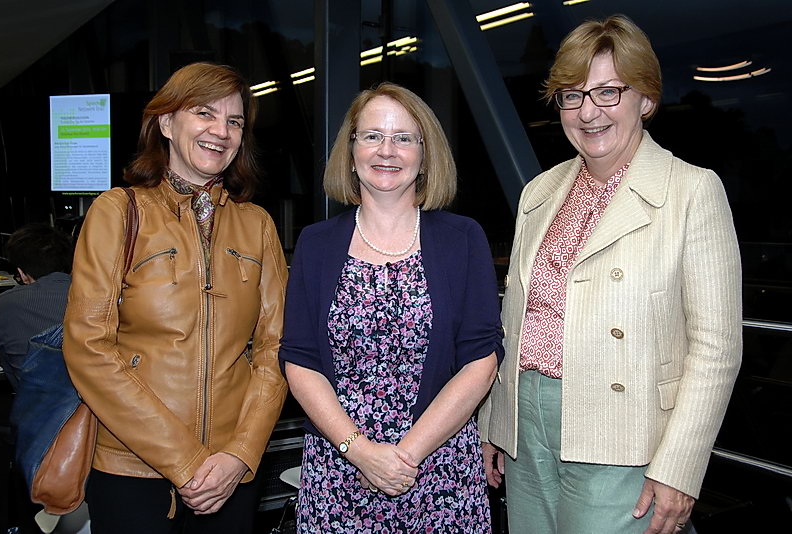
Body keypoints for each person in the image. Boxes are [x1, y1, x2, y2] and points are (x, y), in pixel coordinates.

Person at [478, 15, 742, 534]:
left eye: (608, 92)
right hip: (527, 427)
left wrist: (679, 467)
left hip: (625, 435)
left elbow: (717, 349)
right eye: (572, 95)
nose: (588, 112)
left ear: (646, 98)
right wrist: (496, 422)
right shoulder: (539, 192)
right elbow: (517, 321)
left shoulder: (692, 192)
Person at [63, 62, 288, 533]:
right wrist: (186, 461)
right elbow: (88, 347)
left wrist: (241, 453)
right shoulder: (116, 212)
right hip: (131, 469)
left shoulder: (258, 224)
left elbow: (275, 349)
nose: (221, 131)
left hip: (231, 474)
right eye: (204, 113)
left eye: (234, 121)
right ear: (166, 123)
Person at [279, 82, 504, 532]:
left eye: (403, 137)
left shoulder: (462, 239)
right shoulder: (316, 244)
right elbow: (299, 359)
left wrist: (405, 456)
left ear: (425, 153)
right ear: (351, 151)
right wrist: (361, 452)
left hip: (440, 472)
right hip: (339, 471)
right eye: (372, 136)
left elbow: (481, 360)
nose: (387, 150)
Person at [0, 223, 73, 390]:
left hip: (36, 403)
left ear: (22, 274)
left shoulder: (5, 304)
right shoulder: (100, 296)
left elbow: (12, 371)